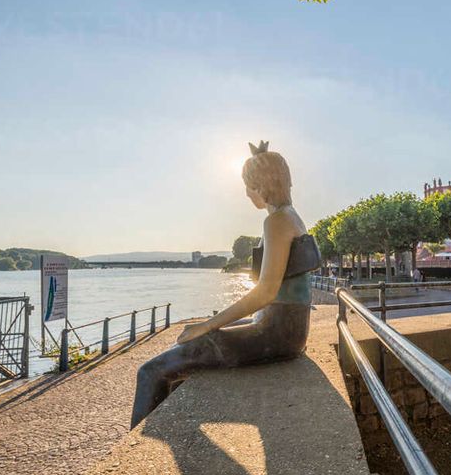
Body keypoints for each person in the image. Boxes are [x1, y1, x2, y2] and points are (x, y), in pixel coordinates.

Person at [130, 141, 320, 428]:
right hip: (286, 330)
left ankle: (139, 457)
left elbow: (266, 291)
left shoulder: (277, 222)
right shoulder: (289, 216)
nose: (246, 193)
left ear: (262, 184)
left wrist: (208, 324)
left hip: (276, 333)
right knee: (186, 349)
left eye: (248, 185)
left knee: (150, 372)